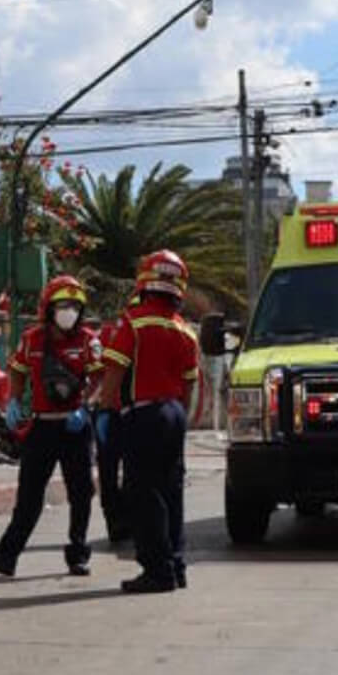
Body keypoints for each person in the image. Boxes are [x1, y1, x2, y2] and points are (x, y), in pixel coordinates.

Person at [0, 275, 102, 578]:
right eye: (63, 305)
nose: (69, 311)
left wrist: (86, 405)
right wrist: (13, 400)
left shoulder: (89, 340)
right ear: (49, 308)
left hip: (75, 428)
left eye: (75, 306)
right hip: (42, 427)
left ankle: (78, 554)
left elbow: (100, 378)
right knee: (29, 495)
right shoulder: (32, 339)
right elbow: (18, 369)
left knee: (80, 493)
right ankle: (6, 556)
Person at [97, 250, 201, 594]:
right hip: (173, 413)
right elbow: (189, 385)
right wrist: (181, 417)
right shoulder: (186, 331)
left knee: (143, 492)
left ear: (144, 283)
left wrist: (107, 412)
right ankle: (176, 564)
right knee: (172, 490)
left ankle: (158, 571)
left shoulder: (135, 322)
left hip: (143, 414)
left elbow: (113, 374)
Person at [91, 292, 142, 545]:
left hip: (134, 413)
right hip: (112, 412)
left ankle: (129, 519)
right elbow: (99, 373)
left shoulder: (153, 336)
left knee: (134, 473)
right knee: (109, 474)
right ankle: (116, 523)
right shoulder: (111, 334)